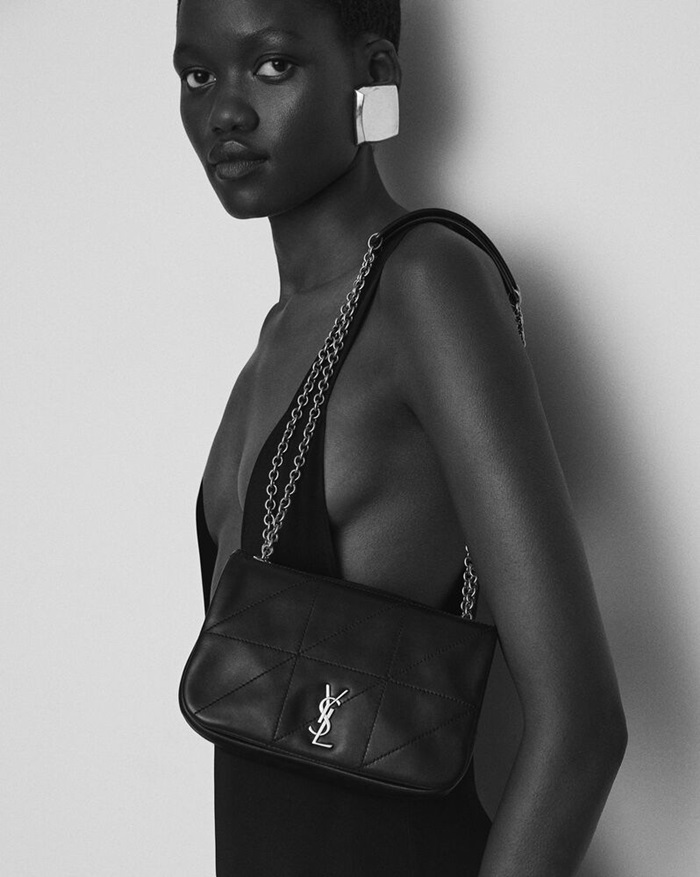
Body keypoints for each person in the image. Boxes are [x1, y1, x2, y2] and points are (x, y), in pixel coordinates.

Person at [174, 0, 627, 874]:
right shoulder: (274, 342)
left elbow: (582, 725)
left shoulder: (427, 284)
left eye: (272, 65)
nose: (225, 109)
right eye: (197, 75)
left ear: (374, 73)